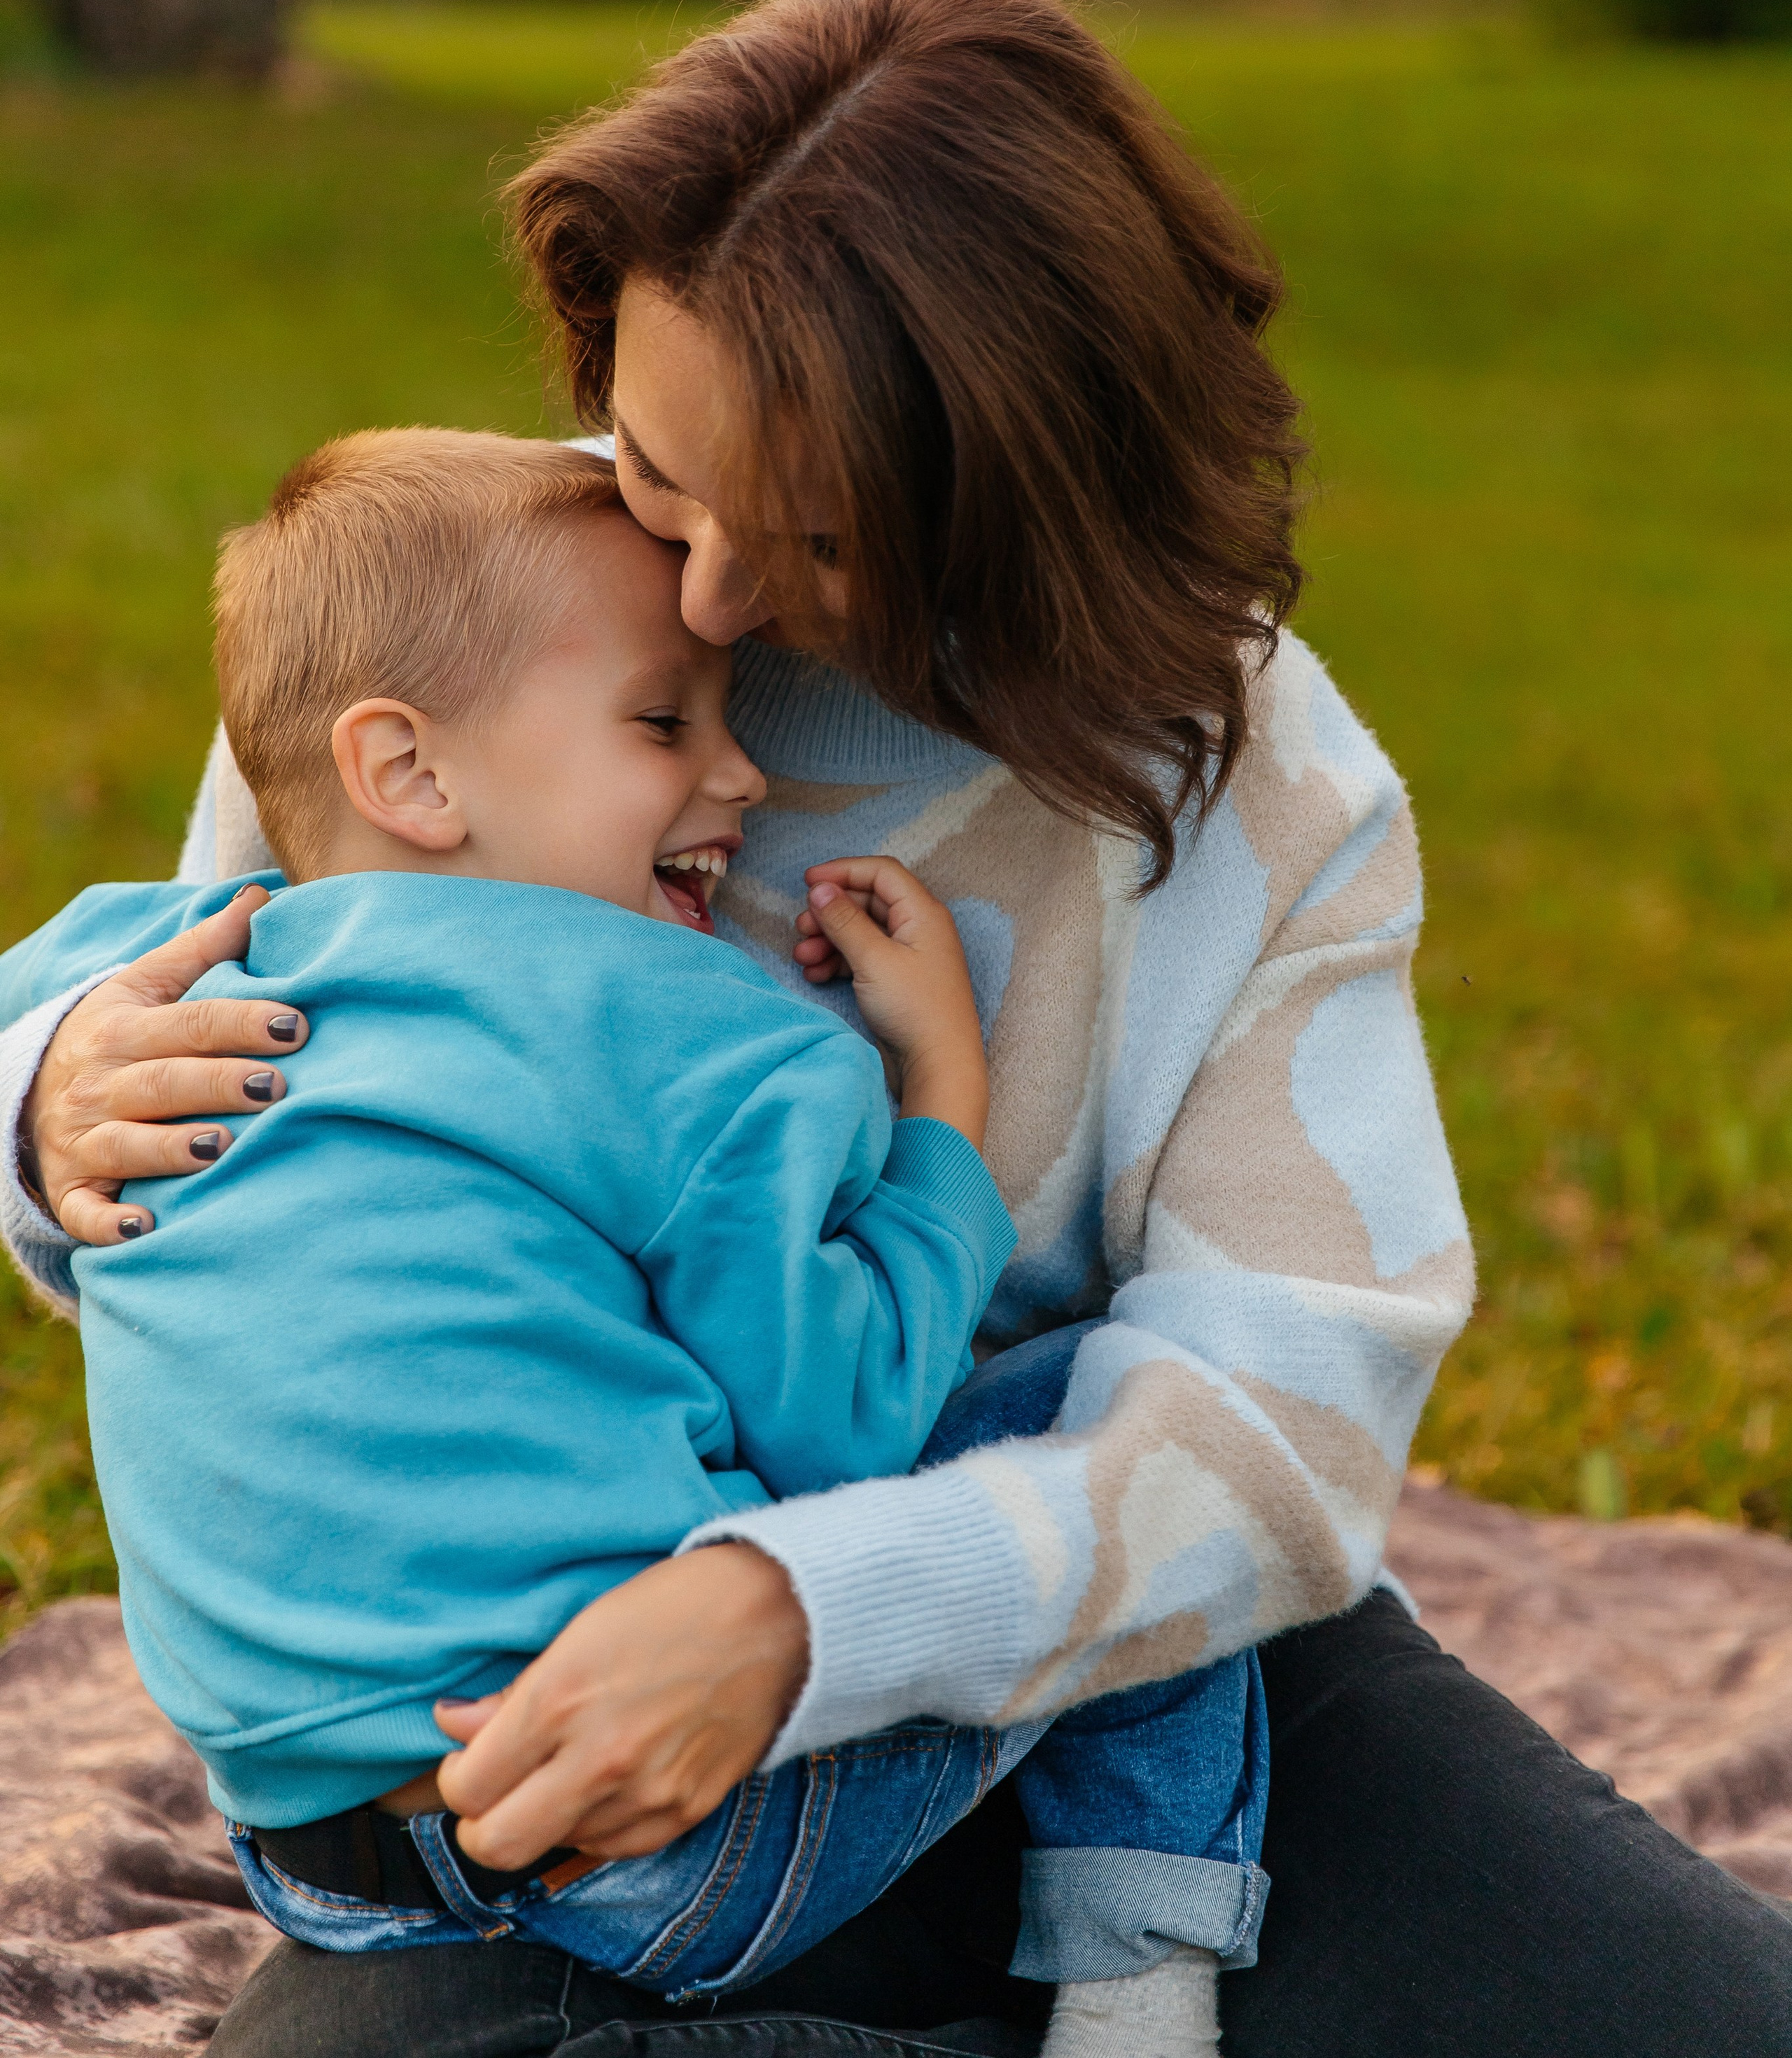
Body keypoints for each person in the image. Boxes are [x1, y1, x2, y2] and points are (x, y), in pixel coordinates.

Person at [7, 0, 1790, 2057]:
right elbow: (292, 1158)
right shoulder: (478, 619)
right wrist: (47, 1107)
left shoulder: (1268, 798)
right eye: (660, 460)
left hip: (1086, 1669)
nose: (709, 606)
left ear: (1043, 496)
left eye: (825, 538)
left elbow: (1282, 1418)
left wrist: (804, 1617)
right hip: (572, 1744)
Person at [1, 425, 1268, 2058]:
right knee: (1110, 1426)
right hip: (668, 1845)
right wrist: (941, 1099)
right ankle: (1135, 1980)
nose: (739, 777)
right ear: (408, 773)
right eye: (666, 721)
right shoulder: (689, 1038)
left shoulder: (141, 986)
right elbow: (841, 1417)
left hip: (318, 1861)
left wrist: (41, 1095)